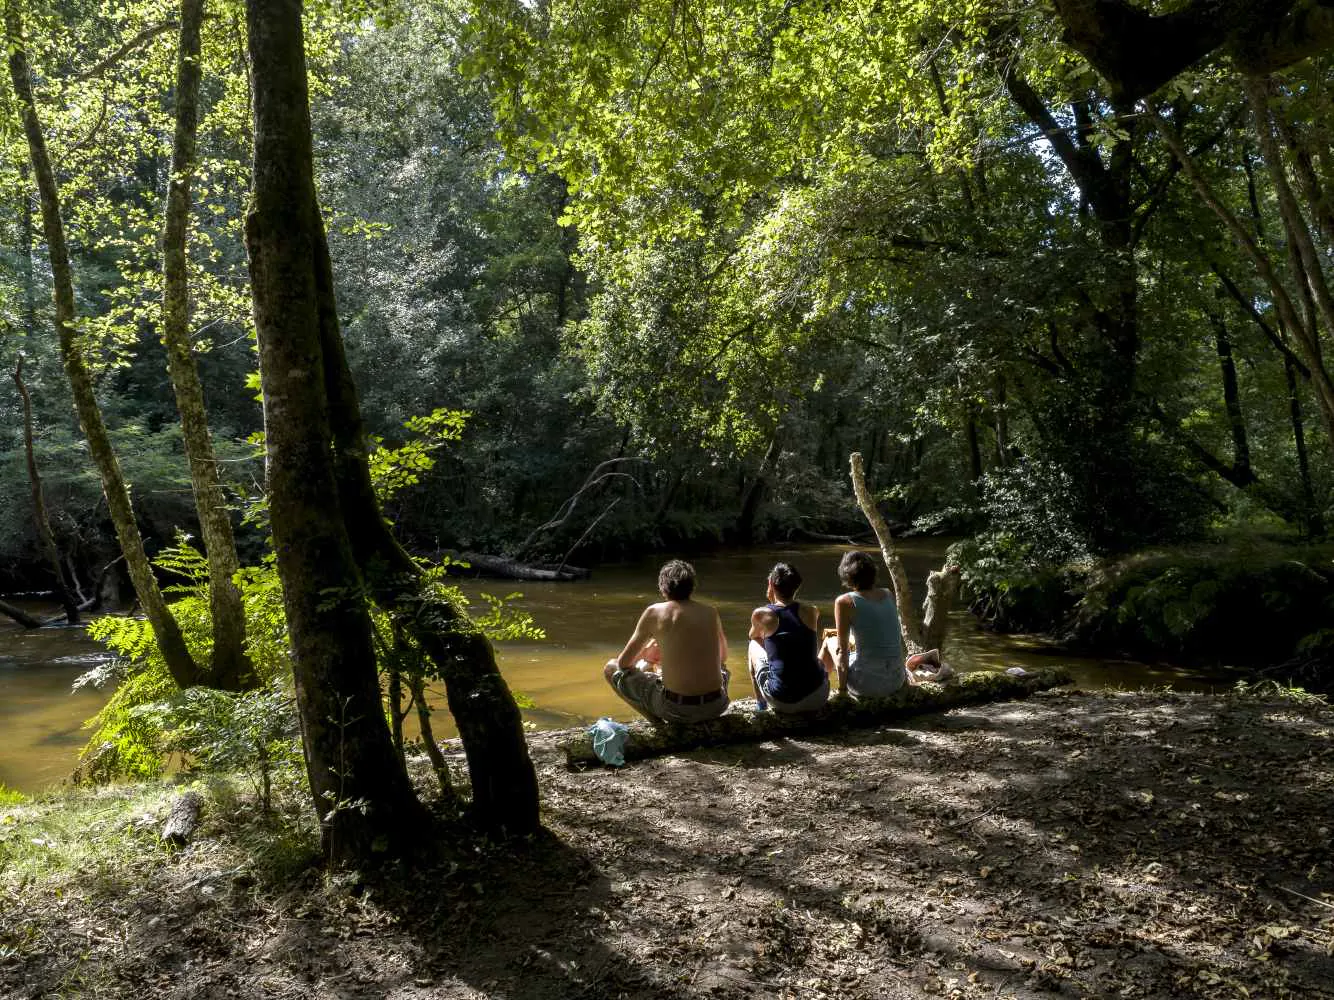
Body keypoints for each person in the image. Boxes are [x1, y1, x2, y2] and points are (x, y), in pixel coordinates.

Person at [603, 559, 730, 724]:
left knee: (610, 668)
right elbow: (723, 658)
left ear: (663, 588)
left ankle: (656, 723)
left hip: (676, 709)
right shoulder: (710, 612)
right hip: (717, 705)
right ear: (692, 586)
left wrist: (646, 652)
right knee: (722, 669)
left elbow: (623, 664)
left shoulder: (654, 613)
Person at [819, 550, 911, 698]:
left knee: (829, 641)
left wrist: (842, 692)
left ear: (847, 576)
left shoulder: (845, 601)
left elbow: (842, 652)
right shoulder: (887, 594)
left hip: (866, 685)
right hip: (896, 681)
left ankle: (818, 687)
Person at [748, 562, 829, 712]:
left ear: (771, 584)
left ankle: (760, 705)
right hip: (818, 696)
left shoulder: (761, 614)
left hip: (783, 700)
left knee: (753, 643)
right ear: (797, 586)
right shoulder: (812, 611)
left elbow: (753, 635)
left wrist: (772, 602)